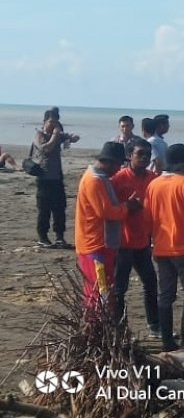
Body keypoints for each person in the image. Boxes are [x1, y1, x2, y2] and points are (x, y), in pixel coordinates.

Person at [143, 143, 184, 351]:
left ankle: (167, 341)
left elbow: (147, 217)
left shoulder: (153, 185)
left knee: (165, 294)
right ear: (182, 164)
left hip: (161, 247)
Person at [74, 142, 142, 308]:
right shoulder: (94, 181)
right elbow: (106, 212)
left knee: (101, 290)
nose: (119, 169)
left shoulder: (100, 178)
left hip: (100, 244)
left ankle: (97, 328)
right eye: (119, 164)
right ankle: (95, 330)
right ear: (109, 162)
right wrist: (128, 207)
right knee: (99, 292)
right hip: (95, 245)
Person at [110, 140, 160, 337]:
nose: (145, 158)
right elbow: (108, 208)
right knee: (120, 288)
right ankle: (119, 329)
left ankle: (154, 325)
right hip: (123, 243)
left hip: (143, 241)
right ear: (130, 155)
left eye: (148, 155)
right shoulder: (119, 179)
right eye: (140, 154)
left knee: (150, 283)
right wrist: (127, 205)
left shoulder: (153, 178)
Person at [32, 114, 79, 248]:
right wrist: (55, 135)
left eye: (55, 122)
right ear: (44, 122)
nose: (53, 125)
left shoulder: (58, 134)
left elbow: (70, 138)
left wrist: (72, 137)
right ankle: (43, 237)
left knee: (59, 208)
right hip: (44, 178)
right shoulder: (39, 135)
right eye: (50, 122)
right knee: (44, 209)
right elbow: (46, 148)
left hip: (57, 178)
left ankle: (60, 237)